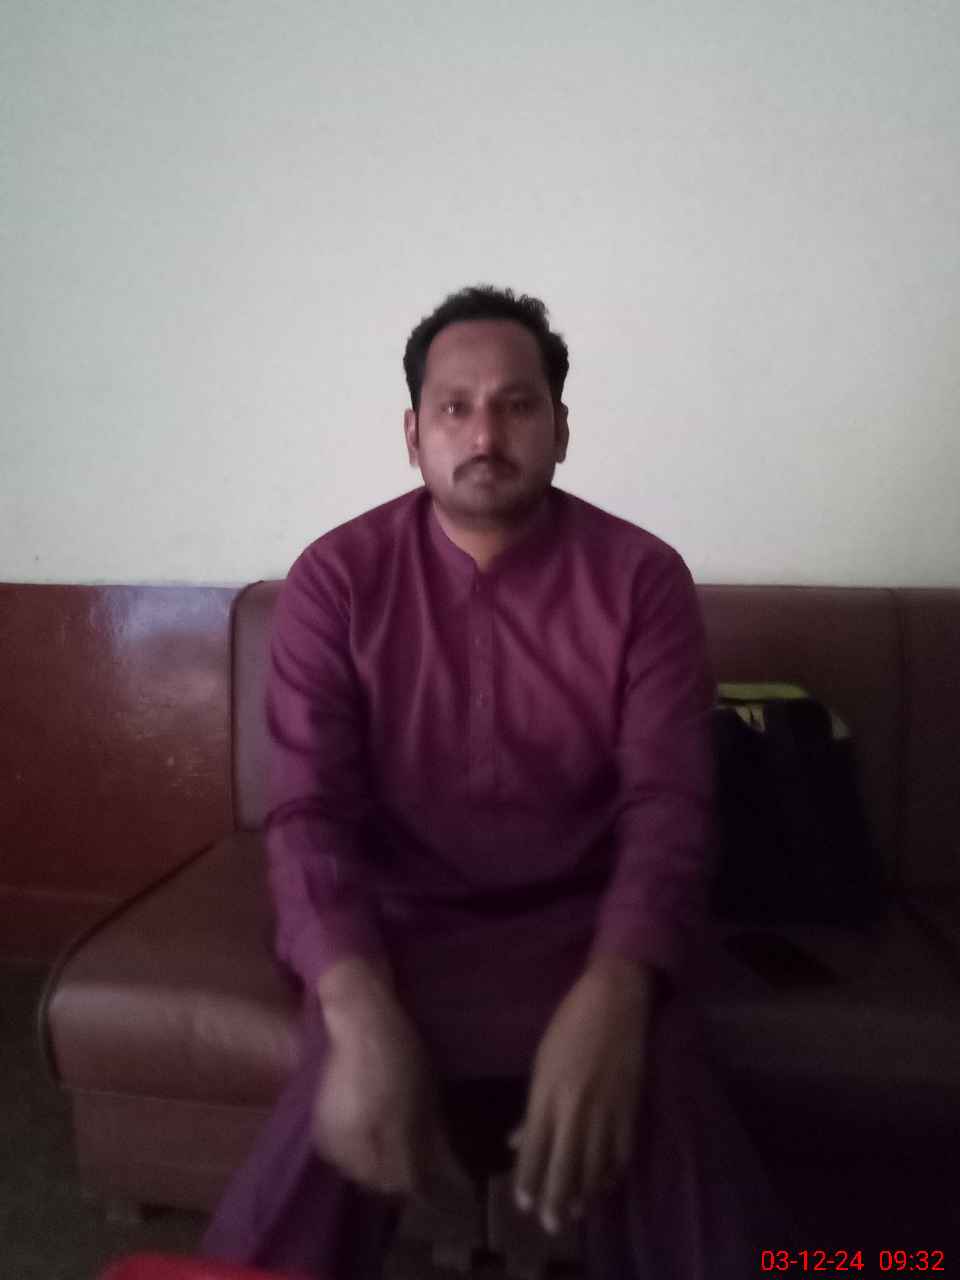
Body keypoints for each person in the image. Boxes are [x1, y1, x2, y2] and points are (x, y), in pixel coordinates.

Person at [201, 285, 800, 1278]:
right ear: (413, 434)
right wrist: (352, 1000)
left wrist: (620, 987)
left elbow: (669, 808)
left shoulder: (640, 576)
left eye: (517, 405)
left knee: (677, 1142)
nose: (485, 434)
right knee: (314, 1147)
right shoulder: (336, 578)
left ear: (561, 427)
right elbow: (308, 814)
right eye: (455, 407)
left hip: (587, 928)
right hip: (396, 930)